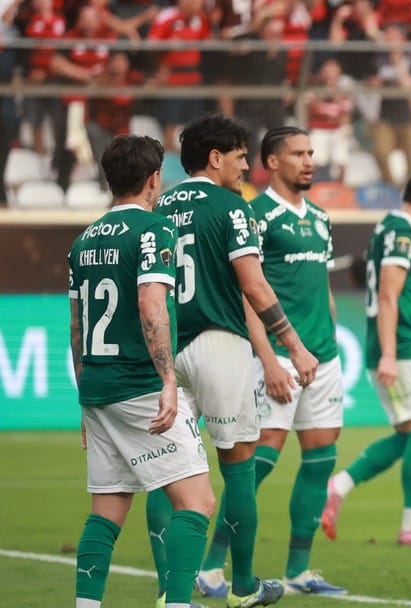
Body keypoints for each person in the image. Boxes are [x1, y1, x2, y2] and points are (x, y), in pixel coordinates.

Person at [148, 115, 319, 608]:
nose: (246, 167)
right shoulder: (232, 206)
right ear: (215, 157)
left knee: (165, 472)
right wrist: (294, 345)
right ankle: (243, 587)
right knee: (239, 466)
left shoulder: (158, 206)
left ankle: (168, 590)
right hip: (219, 344)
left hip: (166, 350)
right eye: (241, 157)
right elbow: (254, 284)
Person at [195, 127, 347, 596]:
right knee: (257, 463)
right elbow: (248, 294)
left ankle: (300, 570)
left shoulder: (320, 217)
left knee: (320, 460)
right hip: (278, 357)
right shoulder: (254, 215)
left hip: (322, 356)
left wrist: (330, 343)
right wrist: (270, 360)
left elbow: (323, 288)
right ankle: (210, 566)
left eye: (311, 152)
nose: (309, 161)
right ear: (272, 162)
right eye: (298, 153)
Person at [69, 134, 215, 608]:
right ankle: (178, 604)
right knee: (197, 502)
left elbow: (77, 327)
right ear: (155, 179)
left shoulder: (83, 241)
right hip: (140, 385)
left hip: (98, 388)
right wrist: (169, 380)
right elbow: (152, 306)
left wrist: (85, 399)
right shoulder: (154, 230)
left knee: (107, 511)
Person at [321, 168, 411, 545]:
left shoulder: (389, 227)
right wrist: (389, 353)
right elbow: (387, 294)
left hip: (401, 342)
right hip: (402, 343)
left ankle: (339, 487)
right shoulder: (401, 230)